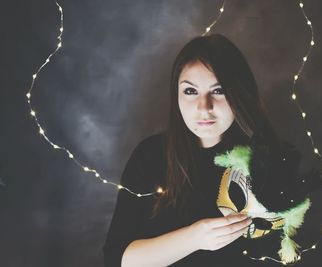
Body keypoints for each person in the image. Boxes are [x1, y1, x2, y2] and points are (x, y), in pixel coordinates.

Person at [103, 33, 300, 267]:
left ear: (239, 94)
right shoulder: (151, 156)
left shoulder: (272, 160)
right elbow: (117, 260)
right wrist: (195, 237)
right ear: (176, 95)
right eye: (190, 91)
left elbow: (284, 255)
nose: (203, 108)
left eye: (218, 91)